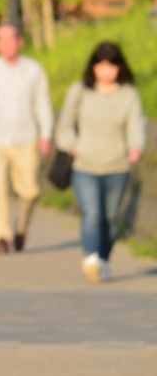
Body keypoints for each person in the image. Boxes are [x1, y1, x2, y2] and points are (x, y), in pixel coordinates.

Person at [54, 40, 145, 282]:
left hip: (117, 166)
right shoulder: (81, 90)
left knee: (111, 220)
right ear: (93, 67)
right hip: (85, 165)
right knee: (92, 214)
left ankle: (103, 259)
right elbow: (64, 125)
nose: (106, 70)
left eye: (111, 65)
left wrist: (135, 147)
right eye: (101, 65)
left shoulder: (128, 94)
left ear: (119, 67)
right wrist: (73, 145)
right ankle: (91, 257)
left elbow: (135, 126)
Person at [0, 23, 53, 254]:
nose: (7, 44)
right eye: (2, 40)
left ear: (20, 41)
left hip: (27, 137)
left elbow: (42, 103)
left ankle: (21, 228)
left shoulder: (34, 69)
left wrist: (45, 133)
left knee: (29, 190)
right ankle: (2, 236)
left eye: (11, 39)